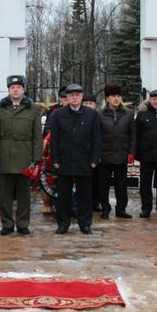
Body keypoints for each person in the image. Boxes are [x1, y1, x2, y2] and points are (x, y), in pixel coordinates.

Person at [0, 75, 42, 235]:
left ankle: (23, 223)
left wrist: (37, 157)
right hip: (6, 155)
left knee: (24, 194)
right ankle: (7, 223)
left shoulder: (33, 108)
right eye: (12, 87)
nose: (15, 90)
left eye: (18, 87)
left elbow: (37, 136)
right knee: (5, 194)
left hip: (25, 156)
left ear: (24, 89)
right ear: (8, 90)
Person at [50, 83, 101, 234]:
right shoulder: (58, 114)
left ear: (81, 96)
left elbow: (96, 138)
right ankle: (63, 223)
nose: (74, 97)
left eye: (77, 94)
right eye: (71, 95)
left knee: (85, 195)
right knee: (63, 195)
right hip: (64, 159)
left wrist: (95, 158)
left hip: (84, 159)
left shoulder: (91, 114)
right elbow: (54, 140)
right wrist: (55, 159)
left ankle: (85, 224)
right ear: (67, 97)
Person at [97, 83, 135, 219]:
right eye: (113, 96)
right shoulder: (99, 114)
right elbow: (96, 136)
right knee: (103, 185)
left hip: (121, 155)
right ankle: (105, 208)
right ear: (107, 98)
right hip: (104, 156)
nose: (116, 99)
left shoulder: (128, 114)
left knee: (121, 185)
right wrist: (97, 154)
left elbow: (132, 135)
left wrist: (131, 152)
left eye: (118, 96)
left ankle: (121, 209)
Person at [134, 90, 157, 219]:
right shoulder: (142, 115)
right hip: (146, 154)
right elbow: (136, 135)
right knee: (145, 184)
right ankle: (146, 208)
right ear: (150, 100)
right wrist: (136, 153)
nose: (156, 102)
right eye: (154, 99)